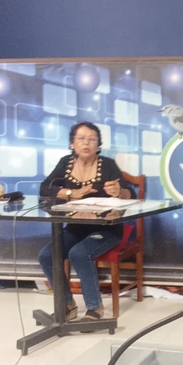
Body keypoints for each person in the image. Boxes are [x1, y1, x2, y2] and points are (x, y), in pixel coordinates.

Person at [39, 121, 133, 322]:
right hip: (76, 228)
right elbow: (45, 189)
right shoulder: (65, 163)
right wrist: (72, 193)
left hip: (107, 229)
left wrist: (119, 192)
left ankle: (95, 307)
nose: (86, 143)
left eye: (92, 139)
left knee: (79, 253)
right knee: (47, 255)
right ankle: (66, 305)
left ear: (98, 145)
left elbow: (129, 193)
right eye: (81, 138)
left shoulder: (107, 165)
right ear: (72, 143)